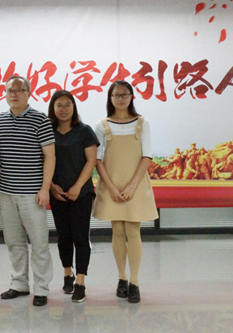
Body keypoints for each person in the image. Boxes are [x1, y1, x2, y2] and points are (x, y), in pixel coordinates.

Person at [0, 75, 55, 307]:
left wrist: (45, 189)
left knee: (39, 243)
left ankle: (41, 288)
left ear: (29, 93)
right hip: (7, 193)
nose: (14, 94)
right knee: (14, 242)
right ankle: (19, 284)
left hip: (32, 194)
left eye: (19, 90)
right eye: (10, 90)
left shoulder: (40, 120)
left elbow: (50, 156)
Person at [93, 80, 158, 304]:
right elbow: (97, 159)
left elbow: (147, 156)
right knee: (118, 231)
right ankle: (121, 278)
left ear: (131, 97)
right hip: (112, 184)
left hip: (135, 184)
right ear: (110, 98)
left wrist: (131, 186)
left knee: (133, 230)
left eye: (124, 94)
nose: (120, 99)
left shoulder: (142, 123)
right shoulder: (102, 125)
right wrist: (111, 187)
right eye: (116, 95)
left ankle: (135, 282)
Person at [47, 90, 98, 303]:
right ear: (53, 108)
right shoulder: (47, 131)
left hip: (82, 194)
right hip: (57, 193)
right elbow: (41, 160)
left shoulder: (84, 131)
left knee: (80, 236)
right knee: (64, 236)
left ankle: (80, 281)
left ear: (74, 107)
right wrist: (51, 186)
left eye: (68, 104)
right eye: (59, 105)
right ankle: (67, 273)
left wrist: (77, 187)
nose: (64, 109)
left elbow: (91, 160)